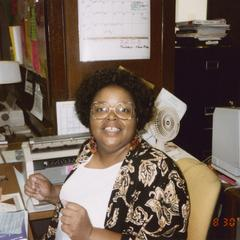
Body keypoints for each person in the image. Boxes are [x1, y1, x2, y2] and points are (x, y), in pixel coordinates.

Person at [24, 67, 190, 240]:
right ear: (89, 116)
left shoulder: (159, 172)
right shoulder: (89, 149)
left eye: (123, 110)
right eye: (101, 109)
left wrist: (90, 234)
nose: (111, 117)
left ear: (138, 117)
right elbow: (92, 194)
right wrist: (52, 193)